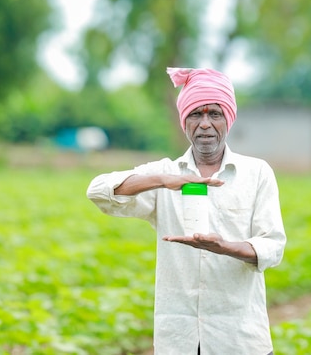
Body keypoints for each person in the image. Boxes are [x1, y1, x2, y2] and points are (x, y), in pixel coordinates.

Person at [87, 67, 286, 355]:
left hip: (240, 339)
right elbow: (97, 191)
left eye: (214, 113)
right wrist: (162, 181)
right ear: (184, 121)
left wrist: (226, 247)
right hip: (178, 340)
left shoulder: (256, 173)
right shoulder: (165, 173)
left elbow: (273, 246)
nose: (205, 124)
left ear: (228, 119)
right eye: (196, 114)